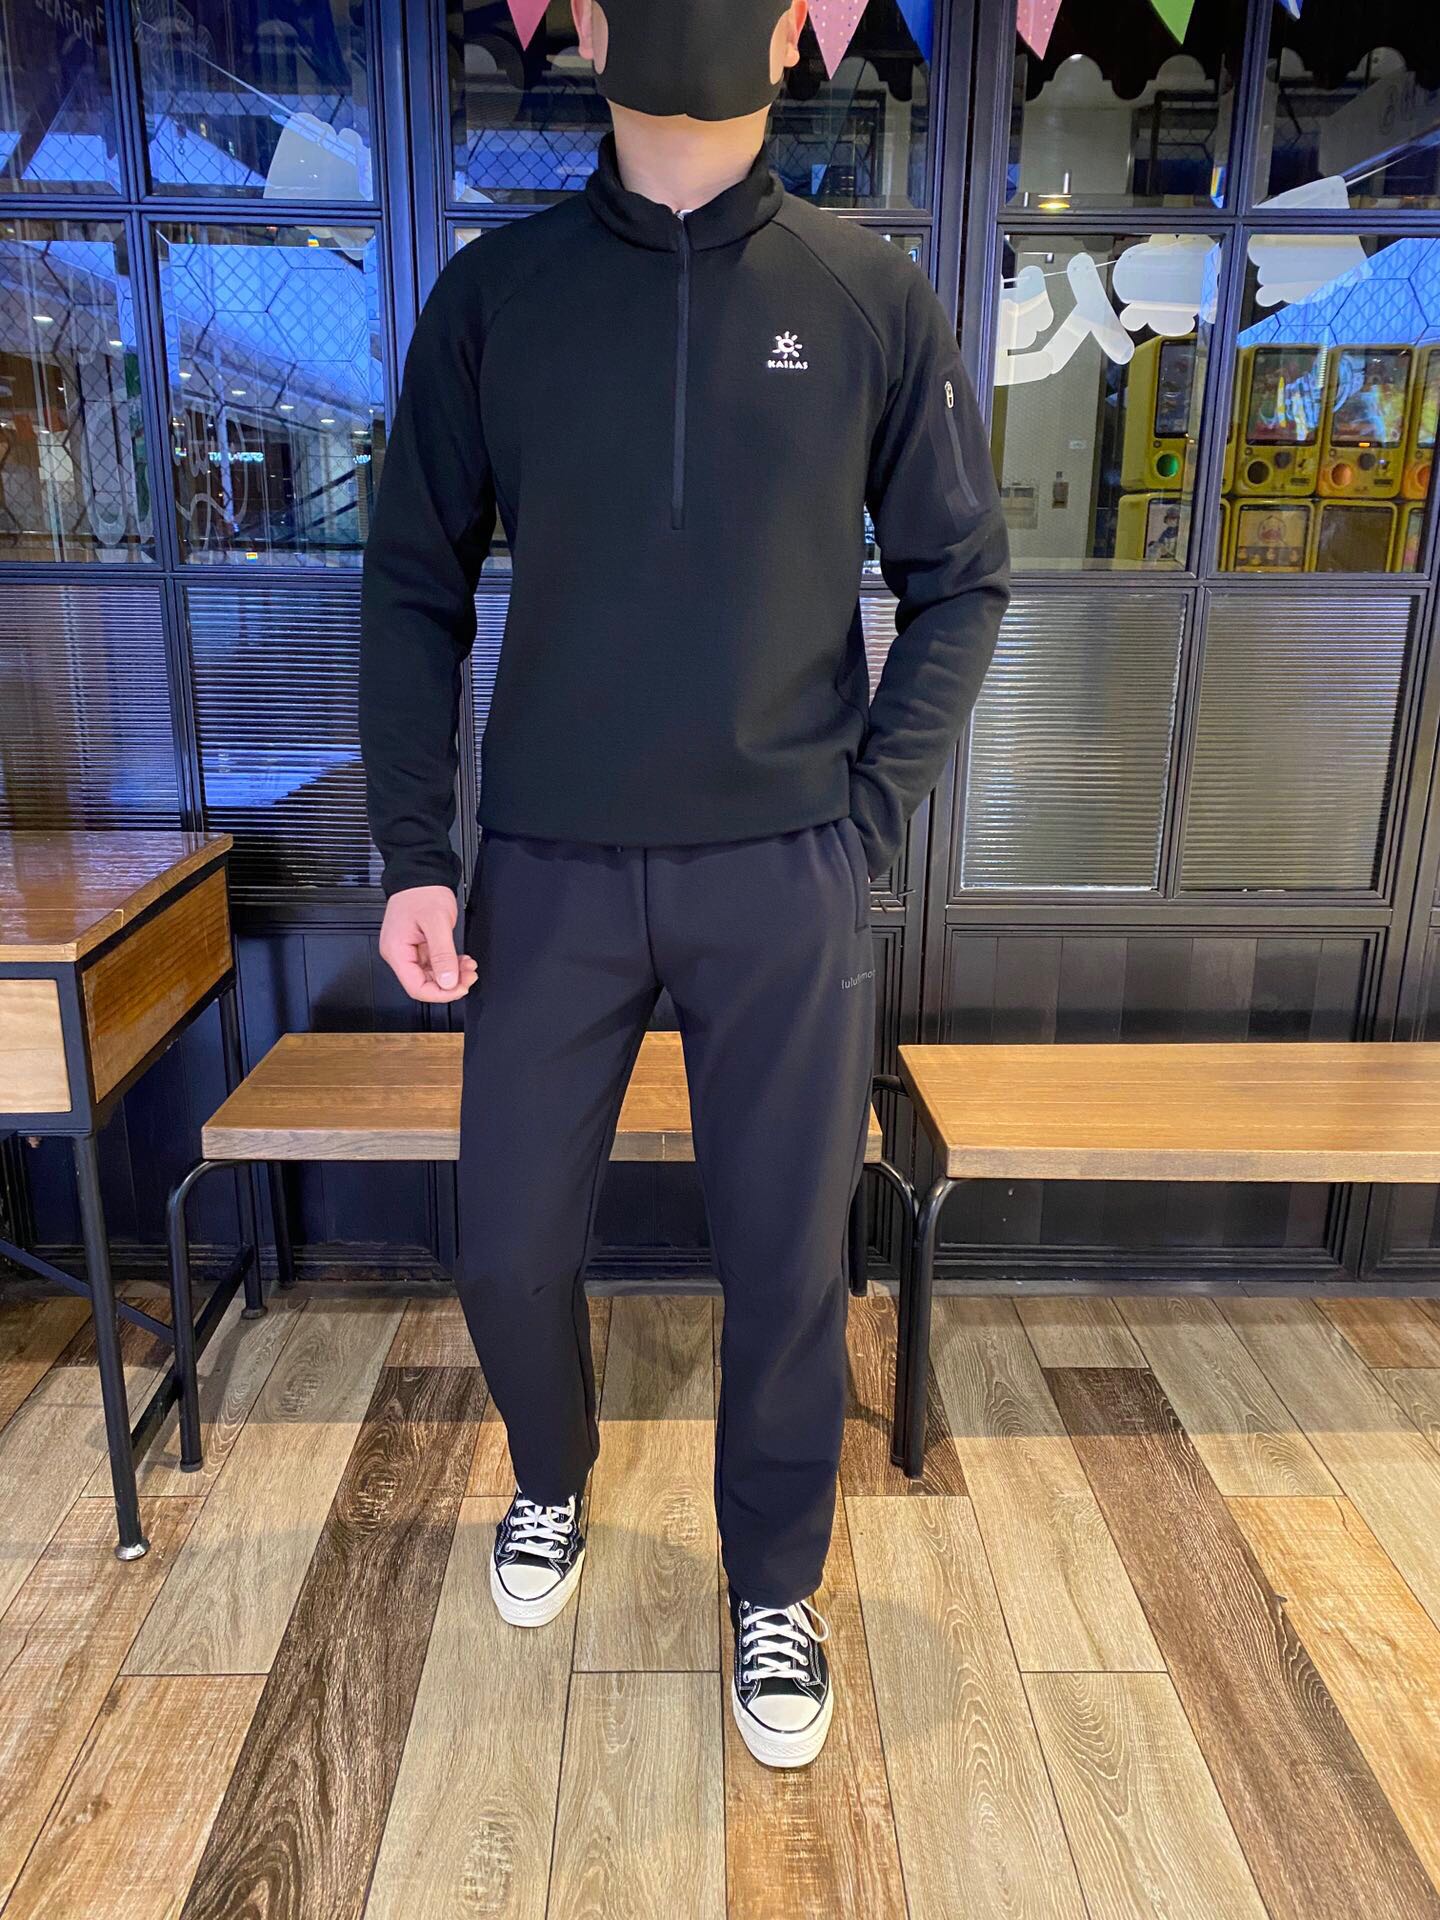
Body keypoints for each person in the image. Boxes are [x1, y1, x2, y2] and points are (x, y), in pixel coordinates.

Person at [359, 0, 1009, 1770]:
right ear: (579, 24)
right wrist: (413, 851)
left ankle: (774, 1580)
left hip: (782, 870)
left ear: (798, 35)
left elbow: (962, 578)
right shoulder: (499, 296)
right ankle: (550, 1474)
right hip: (548, 870)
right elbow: (411, 582)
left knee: (788, 1259)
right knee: (508, 1242)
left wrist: (862, 818)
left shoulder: (867, 297)